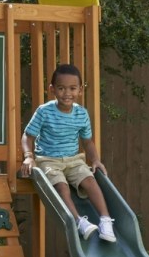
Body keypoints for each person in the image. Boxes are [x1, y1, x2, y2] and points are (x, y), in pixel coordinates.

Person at [20, 64, 116, 243]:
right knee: (62, 186)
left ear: (80, 90)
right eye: (61, 88)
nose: (67, 93)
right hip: (48, 160)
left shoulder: (81, 114)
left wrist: (95, 160)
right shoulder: (44, 111)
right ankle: (79, 221)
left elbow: (87, 141)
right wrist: (28, 156)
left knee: (90, 180)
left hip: (73, 160)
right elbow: (28, 136)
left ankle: (105, 220)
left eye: (72, 88)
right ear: (52, 89)